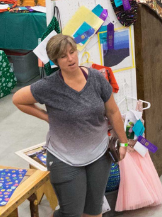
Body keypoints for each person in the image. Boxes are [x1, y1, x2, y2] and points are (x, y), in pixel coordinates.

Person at [12, 35, 132, 217]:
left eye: (72, 52)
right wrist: (46, 117)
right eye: (63, 56)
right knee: (72, 213)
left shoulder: (96, 79)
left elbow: (113, 112)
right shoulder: (49, 86)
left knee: (94, 210)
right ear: (55, 61)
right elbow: (18, 100)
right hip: (64, 158)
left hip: (99, 155)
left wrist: (123, 143)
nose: (70, 58)